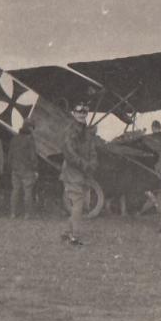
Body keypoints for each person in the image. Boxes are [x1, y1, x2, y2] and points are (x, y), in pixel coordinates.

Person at [60, 101, 98, 245]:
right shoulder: (70, 131)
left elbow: (93, 150)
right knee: (78, 203)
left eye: (84, 112)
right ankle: (74, 237)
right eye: (79, 111)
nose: (82, 114)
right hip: (72, 171)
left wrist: (93, 163)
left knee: (79, 203)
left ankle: (65, 233)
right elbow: (69, 153)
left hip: (83, 172)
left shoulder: (86, 132)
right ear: (73, 113)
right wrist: (85, 164)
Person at [8, 120, 38, 219]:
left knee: (15, 191)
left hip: (15, 169)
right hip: (27, 170)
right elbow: (33, 157)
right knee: (27, 192)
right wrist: (35, 170)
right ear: (29, 128)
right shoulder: (30, 140)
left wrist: (12, 166)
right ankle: (27, 214)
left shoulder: (14, 138)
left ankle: (13, 213)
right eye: (33, 128)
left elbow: (10, 156)